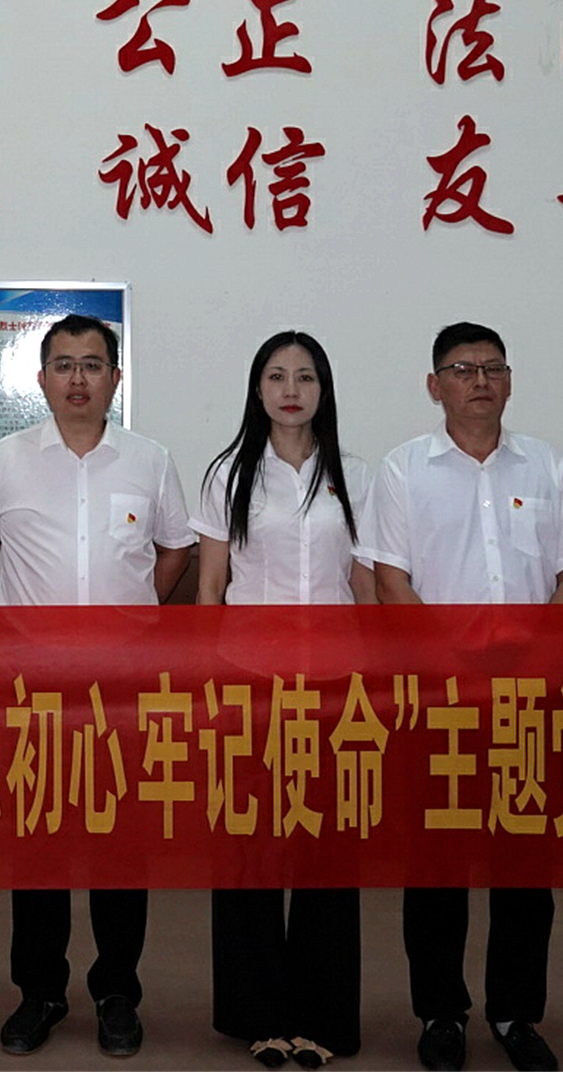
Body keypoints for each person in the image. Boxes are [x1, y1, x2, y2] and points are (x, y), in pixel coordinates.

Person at [359, 321, 563, 1072]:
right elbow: (390, 580)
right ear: (434, 385)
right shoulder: (404, 469)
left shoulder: (548, 466)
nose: (479, 381)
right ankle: (440, 1013)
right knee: (435, 865)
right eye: (462, 369)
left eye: (492, 368)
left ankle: (514, 1013)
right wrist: (451, 669)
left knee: (523, 867)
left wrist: (534, 663)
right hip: (438, 694)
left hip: (530, 694)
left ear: (509, 381)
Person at [0, 312, 196, 1060]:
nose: (78, 379)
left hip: (123, 690)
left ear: (115, 378)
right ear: (41, 379)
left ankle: (117, 992)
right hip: (34, 689)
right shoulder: (4, 460)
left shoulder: (150, 460)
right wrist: (24, 616)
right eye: (63, 365)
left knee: (122, 849)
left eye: (93, 365)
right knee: (38, 849)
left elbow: (173, 553)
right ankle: (39, 993)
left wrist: (131, 620)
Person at [195, 331, 373, 1070]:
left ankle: (322, 1017)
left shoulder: (354, 474)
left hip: (334, 686)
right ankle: (258, 1014)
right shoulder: (229, 472)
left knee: (327, 853)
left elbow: (364, 582)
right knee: (251, 850)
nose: (290, 389)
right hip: (250, 681)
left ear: (323, 390)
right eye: (276, 376)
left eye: (304, 377)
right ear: (257, 388)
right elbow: (210, 587)